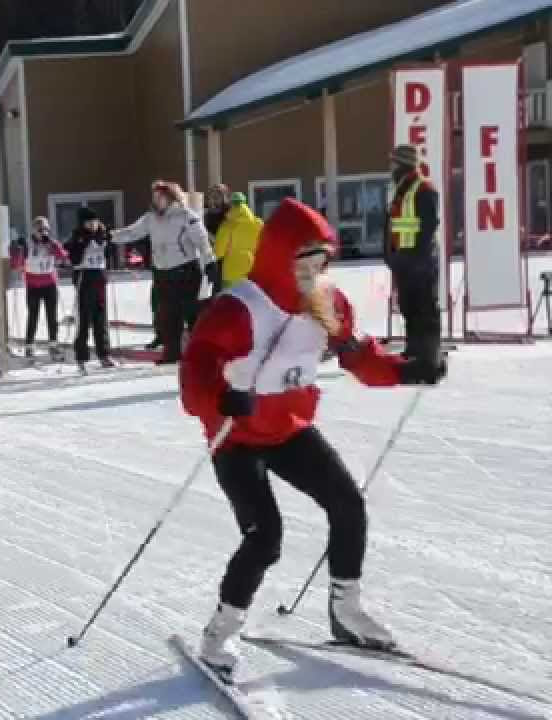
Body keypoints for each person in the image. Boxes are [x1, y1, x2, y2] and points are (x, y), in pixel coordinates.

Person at [179, 198, 447, 676]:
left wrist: (407, 370)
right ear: (280, 254)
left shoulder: (328, 303)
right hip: (237, 437)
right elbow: (196, 367)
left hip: (289, 430)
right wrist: (218, 398)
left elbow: (357, 355)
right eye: (306, 258)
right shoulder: (238, 308)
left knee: (348, 504)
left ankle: (346, 612)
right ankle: (221, 631)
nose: (316, 268)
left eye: (322, 258)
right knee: (266, 537)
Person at [114, 181, 218, 365]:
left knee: (192, 314)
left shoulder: (185, 215)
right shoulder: (151, 218)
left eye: (159, 197)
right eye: (154, 197)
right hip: (162, 272)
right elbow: (132, 232)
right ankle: (172, 354)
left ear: (170, 197)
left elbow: (202, 240)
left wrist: (209, 261)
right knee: (168, 316)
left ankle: (200, 355)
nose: (156, 200)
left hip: (185, 270)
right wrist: (110, 236)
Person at [386, 143, 442, 372]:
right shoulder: (400, 189)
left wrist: (417, 259)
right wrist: (392, 255)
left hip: (420, 261)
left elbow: (428, 226)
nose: (391, 166)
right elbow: (393, 224)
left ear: (402, 164)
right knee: (409, 308)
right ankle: (413, 353)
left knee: (425, 310)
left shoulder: (424, 189)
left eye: (394, 162)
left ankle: (429, 359)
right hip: (404, 260)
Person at [63, 208, 116, 374]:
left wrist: (109, 242)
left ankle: (104, 354)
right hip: (84, 277)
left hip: (99, 278)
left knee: (101, 319)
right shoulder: (77, 237)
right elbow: (74, 258)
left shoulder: (102, 235)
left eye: (94, 221)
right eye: (88, 222)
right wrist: (82, 242)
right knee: (84, 319)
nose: (92, 225)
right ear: (82, 223)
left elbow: (110, 255)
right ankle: (81, 357)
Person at [11, 216, 68, 361]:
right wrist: (18, 250)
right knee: (33, 315)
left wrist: (54, 246)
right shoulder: (27, 244)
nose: (43, 233)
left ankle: (53, 344)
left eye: (45, 229)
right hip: (33, 284)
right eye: (40, 230)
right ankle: (29, 345)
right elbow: (16, 265)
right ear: (34, 230)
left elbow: (63, 258)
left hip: (49, 283)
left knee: (52, 316)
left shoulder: (51, 243)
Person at [212, 192, 263, 292]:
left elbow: (218, 252)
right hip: (252, 268)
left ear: (232, 204)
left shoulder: (227, 225)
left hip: (231, 271)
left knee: (231, 302)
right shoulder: (258, 223)